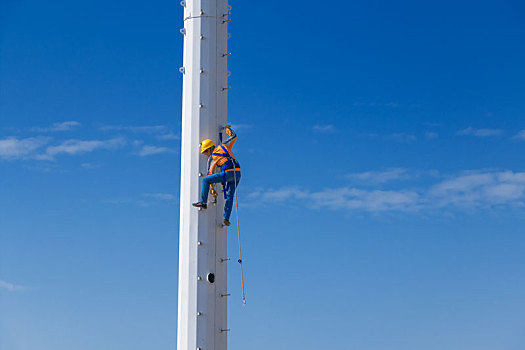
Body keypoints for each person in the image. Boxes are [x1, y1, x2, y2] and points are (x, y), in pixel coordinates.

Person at [192, 126, 241, 226]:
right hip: (238, 173)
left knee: (205, 180)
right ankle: (226, 218)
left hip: (228, 173)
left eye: (205, 151)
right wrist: (227, 129)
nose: (205, 154)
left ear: (210, 149)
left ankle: (203, 202)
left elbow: (210, 172)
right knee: (230, 195)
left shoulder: (213, 156)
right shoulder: (224, 146)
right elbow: (234, 136)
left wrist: (211, 187)